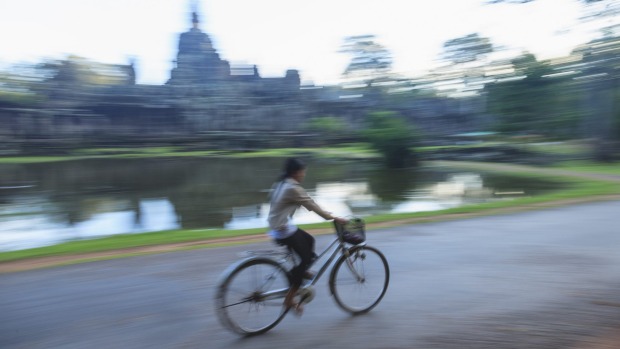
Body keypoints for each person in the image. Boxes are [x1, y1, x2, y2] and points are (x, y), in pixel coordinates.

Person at [267, 158, 347, 315]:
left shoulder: (282, 183)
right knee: (305, 260)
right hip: (283, 229)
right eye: (303, 172)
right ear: (296, 172)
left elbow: (298, 204)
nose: (304, 174)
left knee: (309, 241)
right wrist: (334, 218)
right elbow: (311, 205)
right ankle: (290, 298)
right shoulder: (292, 188)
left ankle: (300, 272)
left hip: (279, 226)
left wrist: (327, 214)